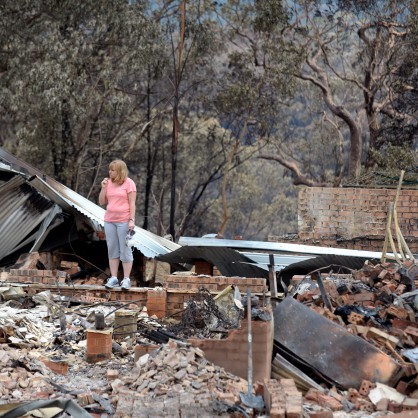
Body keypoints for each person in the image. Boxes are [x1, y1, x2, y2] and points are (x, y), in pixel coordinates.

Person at [99, 159, 137, 290]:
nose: (110, 172)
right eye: (109, 169)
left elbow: (132, 203)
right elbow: (101, 202)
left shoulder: (129, 183)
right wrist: (103, 188)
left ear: (120, 171)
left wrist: (131, 220)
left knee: (125, 249)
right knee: (112, 248)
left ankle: (126, 279)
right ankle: (114, 277)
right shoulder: (108, 183)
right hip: (109, 220)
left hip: (124, 220)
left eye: (112, 170)